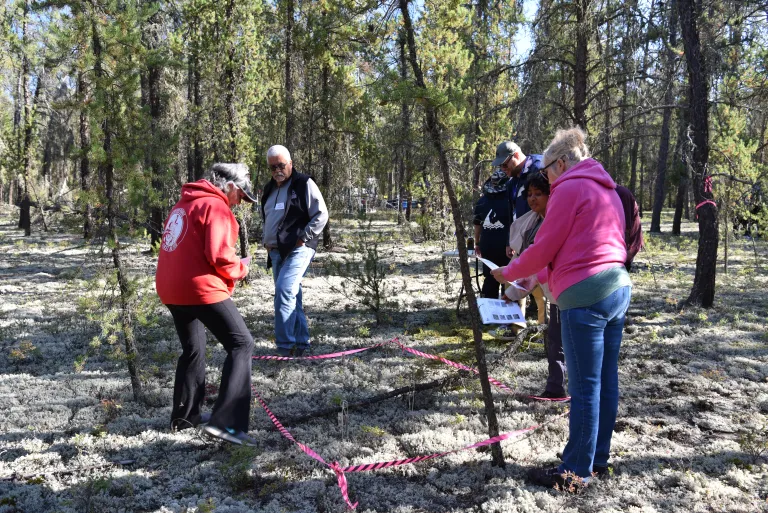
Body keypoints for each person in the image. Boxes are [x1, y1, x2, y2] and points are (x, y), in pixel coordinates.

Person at [491, 127, 632, 488]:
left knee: (584, 386)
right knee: (605, 380)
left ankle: (574, 472)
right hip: (617, 288)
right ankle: (596, 457)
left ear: (563, 162)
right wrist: (526, 280)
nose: (547, 178)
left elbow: (543, 247)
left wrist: (506, 273)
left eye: (549, 168)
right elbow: (575, 246)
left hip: (584, 296)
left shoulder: (569, 187)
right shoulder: (606, 188)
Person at [156, 163, 258, 446]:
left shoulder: (183, 204)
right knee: (242, 344)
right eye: (242, 197)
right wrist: (242, 269)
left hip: (171, 289)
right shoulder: (216, 207)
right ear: (232, 187)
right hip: (199, 288)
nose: (240, 203)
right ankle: (227, 424)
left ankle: (185, 417)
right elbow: (221, 256)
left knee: (193, 348)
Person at [261, 145, 328, 357]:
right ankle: (302, 345)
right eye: (273, 167)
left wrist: (303, 238)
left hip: (299, 249)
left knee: (284, 291)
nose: (277, 170)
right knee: (292, 296)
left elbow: (321, 215)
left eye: (281, 165)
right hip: (275, 252)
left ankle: (285, 347)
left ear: (290, 163)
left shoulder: (303, 183)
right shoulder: (269, 188)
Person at [473, 169, 512, 298]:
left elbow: (477, 225)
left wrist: (477, 242)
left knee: (490, 277)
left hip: (488, 245)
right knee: (508, 278)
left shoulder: (481, 201)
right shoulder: (511, 200)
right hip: (507, 246)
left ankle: (490, 313)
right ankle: (508, 313)